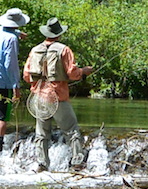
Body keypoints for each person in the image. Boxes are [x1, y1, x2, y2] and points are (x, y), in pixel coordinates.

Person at [23, 17, 95, 171]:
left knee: (41, 134)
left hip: (38, 96)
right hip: (57, 96)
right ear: (59, 34)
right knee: (71, 130)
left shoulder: (35, 50)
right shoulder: (64, 50)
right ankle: (77, 162)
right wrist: (84, 71)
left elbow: (26, 76)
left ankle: (42, 164)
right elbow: (73, 73)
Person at [0, 7, 29, 156]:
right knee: (3, 114)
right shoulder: (11, 40)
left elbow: (8, 32)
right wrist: (16, 86)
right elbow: (11, 64)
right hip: (3, 81)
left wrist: (18, 33)